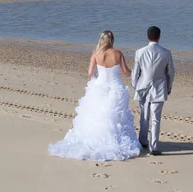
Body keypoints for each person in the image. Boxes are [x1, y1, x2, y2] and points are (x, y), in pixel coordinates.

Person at [49, 30, 141, 161]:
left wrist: (95, 81)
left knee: (97, 115)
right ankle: (114, 141)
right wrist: (136, 76)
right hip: (116, 87)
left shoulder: (96, 54)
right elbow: (126, 72)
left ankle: (96, 139)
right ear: (112, 40)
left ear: (101, 39)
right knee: (114, 117)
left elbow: (90, 72)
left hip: (99, 86)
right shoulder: (118, 53)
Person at [132, 26, 175, 156]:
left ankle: (143, 141)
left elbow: (135, 73)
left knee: (144, 116)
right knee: (156, 118)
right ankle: (153, 147)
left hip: (143, 86)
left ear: (147, 36)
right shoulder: (166, 52)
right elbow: (171, 72)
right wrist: (169, 86)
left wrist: (135, 85)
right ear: (159, 36)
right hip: (159, 87)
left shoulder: (140, 52)